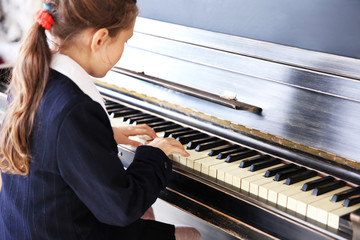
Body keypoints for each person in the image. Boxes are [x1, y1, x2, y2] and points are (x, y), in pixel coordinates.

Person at [0, 0, 201, 239]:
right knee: (192, 234)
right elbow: (121, 208)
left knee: (146, 211)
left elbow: (52, 138)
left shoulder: (33, 75)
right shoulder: (76, 111)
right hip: (67, 231)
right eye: (125, 41)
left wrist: (105, 133)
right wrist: (154, 155)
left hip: (25, 228)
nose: (124, 49)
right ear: (100, 39)